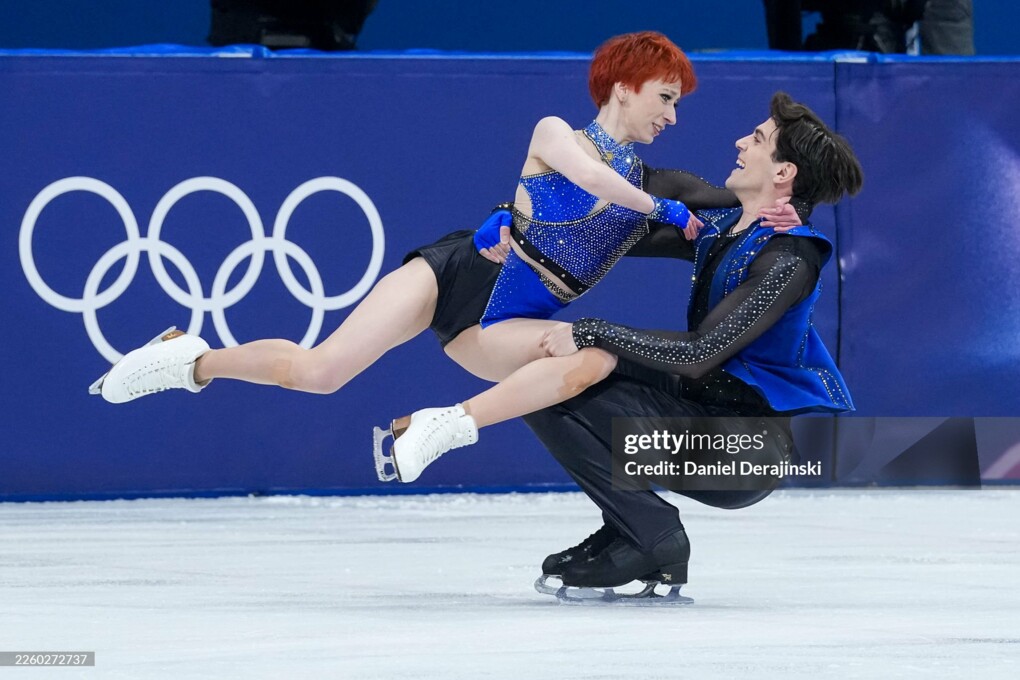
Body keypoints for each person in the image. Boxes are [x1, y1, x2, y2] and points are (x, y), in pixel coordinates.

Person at [90, 33, 798, 460]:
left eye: (677, 104)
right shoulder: (557, 133)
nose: (672, 116)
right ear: (623, 85)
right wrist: (654, 207)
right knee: (320, 372)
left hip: (509, 316)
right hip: (456, 272)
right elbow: (590, 179)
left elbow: (731, 204)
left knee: (583, 356)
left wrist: (777, 207)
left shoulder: (656, 182)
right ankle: (191, 358)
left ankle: (441, 428)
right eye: (665, 97)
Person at [518, 91, 863, 600]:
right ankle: (634, 526)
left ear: (784, 171)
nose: (741, 142)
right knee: (540, 378)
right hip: (699, 414)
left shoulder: (788, 258)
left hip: (743, 453)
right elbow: (619, 213)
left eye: (758, 139)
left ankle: (650, 534)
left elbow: (700, 353)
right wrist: (517, 214)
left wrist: (591, 331)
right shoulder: (725, 227)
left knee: (555, 381)